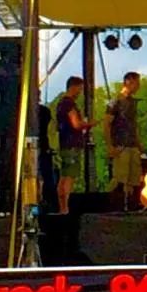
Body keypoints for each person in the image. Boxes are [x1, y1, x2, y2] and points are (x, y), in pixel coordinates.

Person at [54, 76, 92, 213]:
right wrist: (89, 124)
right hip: (72, 145)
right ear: (73, 87)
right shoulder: (68, 104)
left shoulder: (60, 103)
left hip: (64, 144)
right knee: (69, 177)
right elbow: (76, 124)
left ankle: (62, 208)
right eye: (80, 88)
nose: (80, 92)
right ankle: (65, 209)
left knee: (64, 176)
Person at [107, 71, 144, 211]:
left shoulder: (133, 102)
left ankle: (130, 206)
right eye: (137, 83)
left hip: (132, 145)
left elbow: (134, 125)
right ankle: (113, 205)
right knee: (119, 178)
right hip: (120, 144)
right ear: (129, 82)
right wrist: (110, 145)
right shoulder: (115, 100)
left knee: (133, 178)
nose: (138, 86)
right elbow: (107, 123)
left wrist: (139, 144)